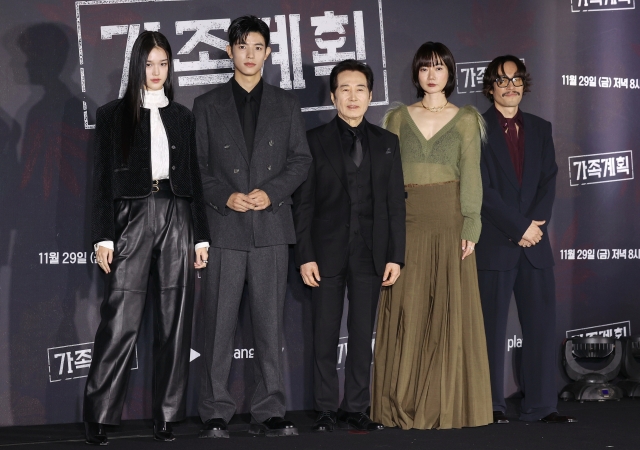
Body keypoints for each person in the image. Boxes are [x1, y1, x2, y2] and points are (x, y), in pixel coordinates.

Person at [84, 31, 211, 444]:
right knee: (120, 319)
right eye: (149, 63)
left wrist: (200, 238)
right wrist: (103, 236)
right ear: (137, 65)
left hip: (177, 212)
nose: (156, 72)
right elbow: (101, 181)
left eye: (163, 64)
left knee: (175, 321)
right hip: (132, 215)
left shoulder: (183, 116)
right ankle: (100, 416)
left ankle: (167, 416)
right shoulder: (112, 115)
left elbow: (193, 179)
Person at [194, 16, 311, 438]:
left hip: (271, 227)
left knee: (269, 325)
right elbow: (197, 168)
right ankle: (215, 411)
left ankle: (271, 409)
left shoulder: (285, 104)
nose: (249, 53)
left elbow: (301, 160)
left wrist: (272, 192)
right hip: (225, 227)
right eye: (241, 46)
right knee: (218, 326)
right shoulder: (206, 106)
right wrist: (223, 195)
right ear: (229, 51)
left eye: (257, 46)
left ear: (266, 52)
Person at [371, 42, 492, 430]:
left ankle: (447, 404)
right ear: (416, 74)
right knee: (405, 308)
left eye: (439, 67)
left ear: (450, 73)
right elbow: (385, 178)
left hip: (449, 219)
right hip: (406, 220)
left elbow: (471, 175)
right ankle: (399, 401)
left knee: (448, 310)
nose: (432, 74)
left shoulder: (467, 119)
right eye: (425, 68)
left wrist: (470, 224)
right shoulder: (397, 118)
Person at [292, 60, 406, 433]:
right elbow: (303, 205)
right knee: (324, 334)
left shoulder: (388, 143)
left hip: (371, 254)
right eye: (345, 88)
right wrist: (305, 255)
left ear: (371, 95)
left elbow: (394, 204)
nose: (353, 96)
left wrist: (396, 256)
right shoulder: (313, 141)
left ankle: (357, 406)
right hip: (324, 255)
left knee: (361, 335)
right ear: (332, 96)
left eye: (360, 89)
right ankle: (325, 407)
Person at [476, 55, 576, 424]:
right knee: (489, 330)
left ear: (524, 84)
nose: (510, 85)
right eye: (502, 80)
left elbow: (549, 181)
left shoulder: (540, 127)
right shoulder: (477, 128)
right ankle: (490, 405)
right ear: (491, 87)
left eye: (516, 79)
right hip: (496, 243)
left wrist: (535, 226)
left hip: (535, 245)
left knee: (540, 327)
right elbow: (481, 189)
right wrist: (518, 227)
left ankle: (542, 405)